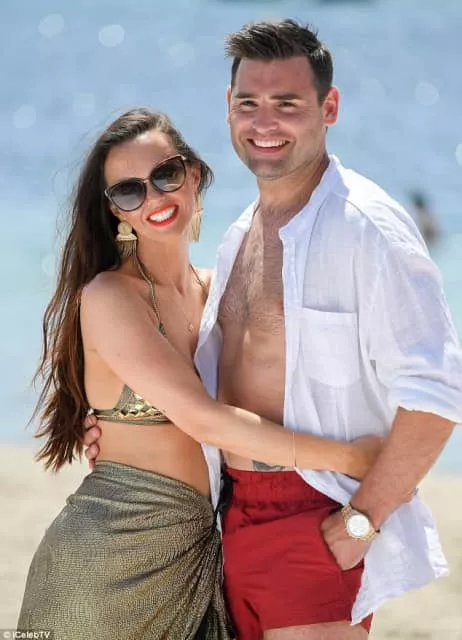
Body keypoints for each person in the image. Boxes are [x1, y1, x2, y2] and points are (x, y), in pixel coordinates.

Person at [18, 108, 384, 640]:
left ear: (192, 174)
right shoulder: (110, 296)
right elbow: (205, 420)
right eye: (129, 191)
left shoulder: (220, 291)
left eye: (165, 175)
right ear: (116, 210)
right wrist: (351, 458)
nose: (153, 198)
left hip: (202, 556)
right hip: (109, 559)